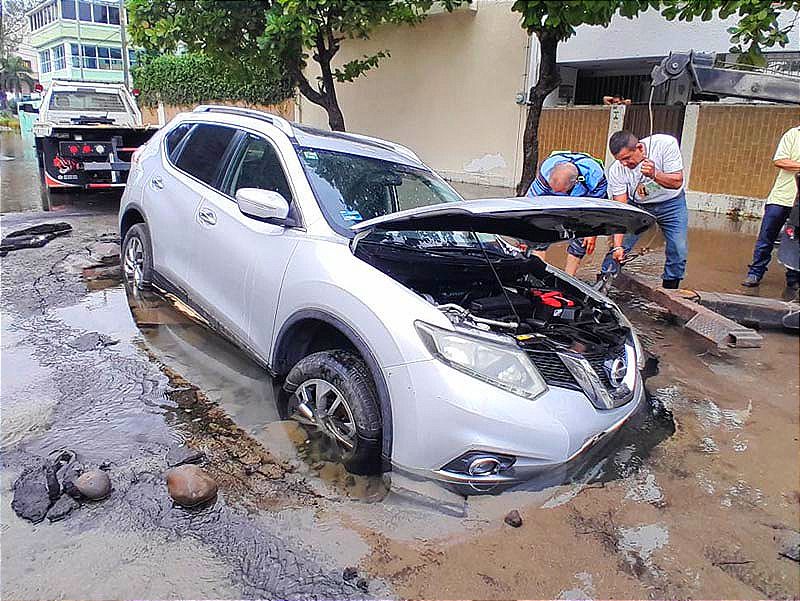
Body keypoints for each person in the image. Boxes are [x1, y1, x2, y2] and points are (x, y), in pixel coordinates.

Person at [603, 130, 687, 289]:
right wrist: (618, 246)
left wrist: (655, 174)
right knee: (619, 246)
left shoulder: (665, 144)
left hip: (672, 203)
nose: (624, 164)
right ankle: (604, 282)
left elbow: (677, 182)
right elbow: (622, 211)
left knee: (678, 248)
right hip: (639, 206)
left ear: (640, 148)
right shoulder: (616, 170)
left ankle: (671, 290)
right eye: (620, 160)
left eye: (627, 158)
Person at [526, 151, 608, 276]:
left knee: (582, 240)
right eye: (553, 188)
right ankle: (537, 275)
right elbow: (530, 203)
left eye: (559, 191)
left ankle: (568, 278)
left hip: (583, 204)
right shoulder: (545, 172)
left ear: (574, 183)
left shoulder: (595, 177)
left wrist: (592, 232)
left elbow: (596, 209)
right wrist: (524, 233)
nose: (555, 191)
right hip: (550, 202)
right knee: (537, 234)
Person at [741, 126, 800, 296]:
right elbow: (780, 160)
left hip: (799, 202)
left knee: (796, 240)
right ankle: (755, 272)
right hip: (781, 197)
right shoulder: (793, 134)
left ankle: (793, 278)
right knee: (767, 235)